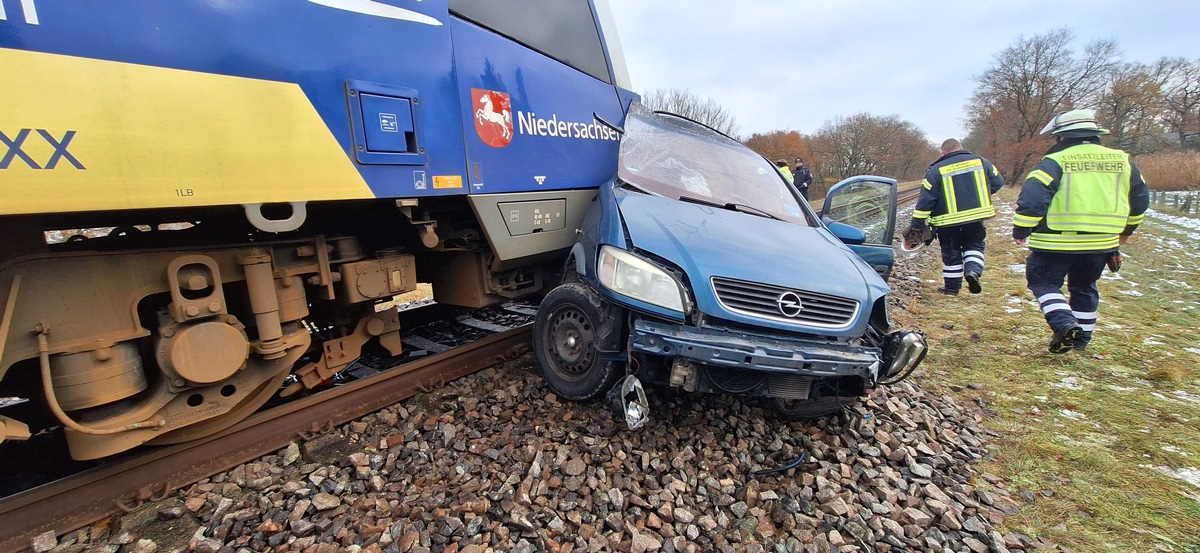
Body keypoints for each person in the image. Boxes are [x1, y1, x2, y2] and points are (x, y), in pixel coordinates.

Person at [1013, 109, 1149, 353]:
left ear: (1062, 137)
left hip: (1054, 240)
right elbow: (1140, 199)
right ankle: (1080, 342)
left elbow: (1033, 199)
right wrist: (1127, 230)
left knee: (1043, 283)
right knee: (1085, 287)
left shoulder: (1054, 162)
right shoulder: (1123, 160)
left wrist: (1021, 229)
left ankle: (1063, 323)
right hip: (1101, 242)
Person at [906, 138, 1004, 295]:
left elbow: (926, 201)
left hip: (947, 221)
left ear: (943, 152)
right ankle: (973, 272)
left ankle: (952, 288)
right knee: (975, 245)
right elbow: (998, 181)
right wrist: (979, 195)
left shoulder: (936, 170)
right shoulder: (981, 161)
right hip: (975, 217)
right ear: (960, 147)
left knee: (951, 252)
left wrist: (916, 224)